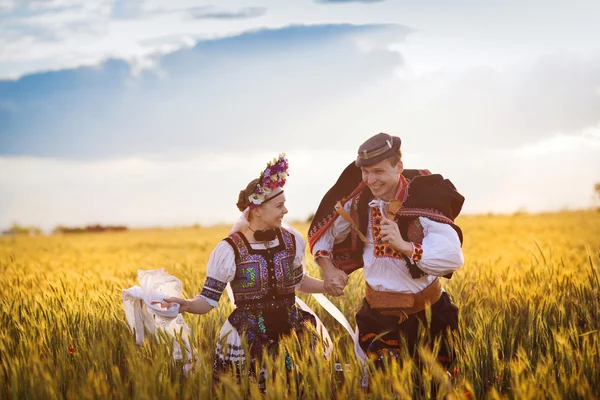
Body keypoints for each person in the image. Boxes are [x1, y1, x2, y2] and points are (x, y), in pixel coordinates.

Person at [165, 154, 328, 390]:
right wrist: (187, 304)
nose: (286, 210)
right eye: (279, 205)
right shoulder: (229, 250)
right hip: (248, 338)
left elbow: (298, 282)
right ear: (257, 210)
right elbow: (208, 300)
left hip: (293, 332)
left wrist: (327, 286)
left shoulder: (291, 240)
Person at [308, 133, 464, 371]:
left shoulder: (425, 198)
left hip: (428, 316)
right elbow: (325, 234)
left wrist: (405, 246)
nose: (371, 180)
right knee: (379, 389)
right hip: (376, 319)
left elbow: (451, 258)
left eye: (378, 172)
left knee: (433, 390)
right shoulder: (359, 201)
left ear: (399, 167)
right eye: (366, 172)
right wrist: (328, 270)